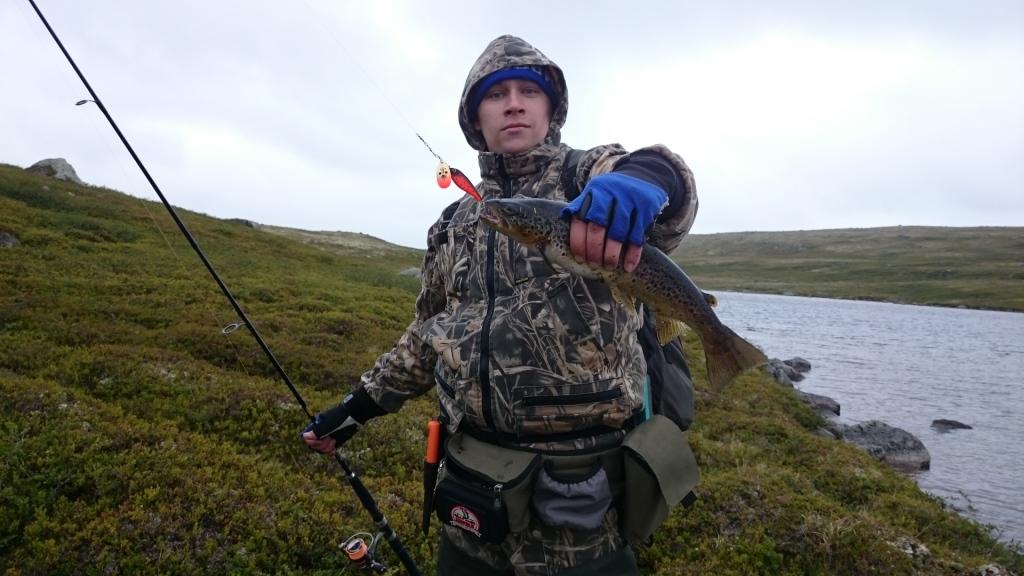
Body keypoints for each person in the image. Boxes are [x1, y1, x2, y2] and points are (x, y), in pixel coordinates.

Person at [303, 34, 699, 575]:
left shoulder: (587, 178)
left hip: (584, 511)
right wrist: (355, 410)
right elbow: (426, 337)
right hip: (471, 497)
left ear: (551, 110)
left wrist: (649, 178)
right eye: (495, 95)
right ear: (476, 118)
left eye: (528, 92)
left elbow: (664, 192)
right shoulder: (452, 225)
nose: (513, 104)